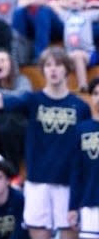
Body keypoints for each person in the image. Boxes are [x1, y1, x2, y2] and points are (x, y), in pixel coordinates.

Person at [0, 46, 91, 239]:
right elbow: (8, 102)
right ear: (42, 70)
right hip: (37, 181)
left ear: (67, 69)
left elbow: (84, 149)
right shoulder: (33, 100)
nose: (53, 69)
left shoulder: (81, 107)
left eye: (58, 65)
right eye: (48, 65)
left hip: (67, 184)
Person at [69, 77, 99, 237]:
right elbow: (76, 171)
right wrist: (73, 207)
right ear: (91, 98)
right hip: (90, 202)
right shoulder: (81, 130)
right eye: (95, 93)